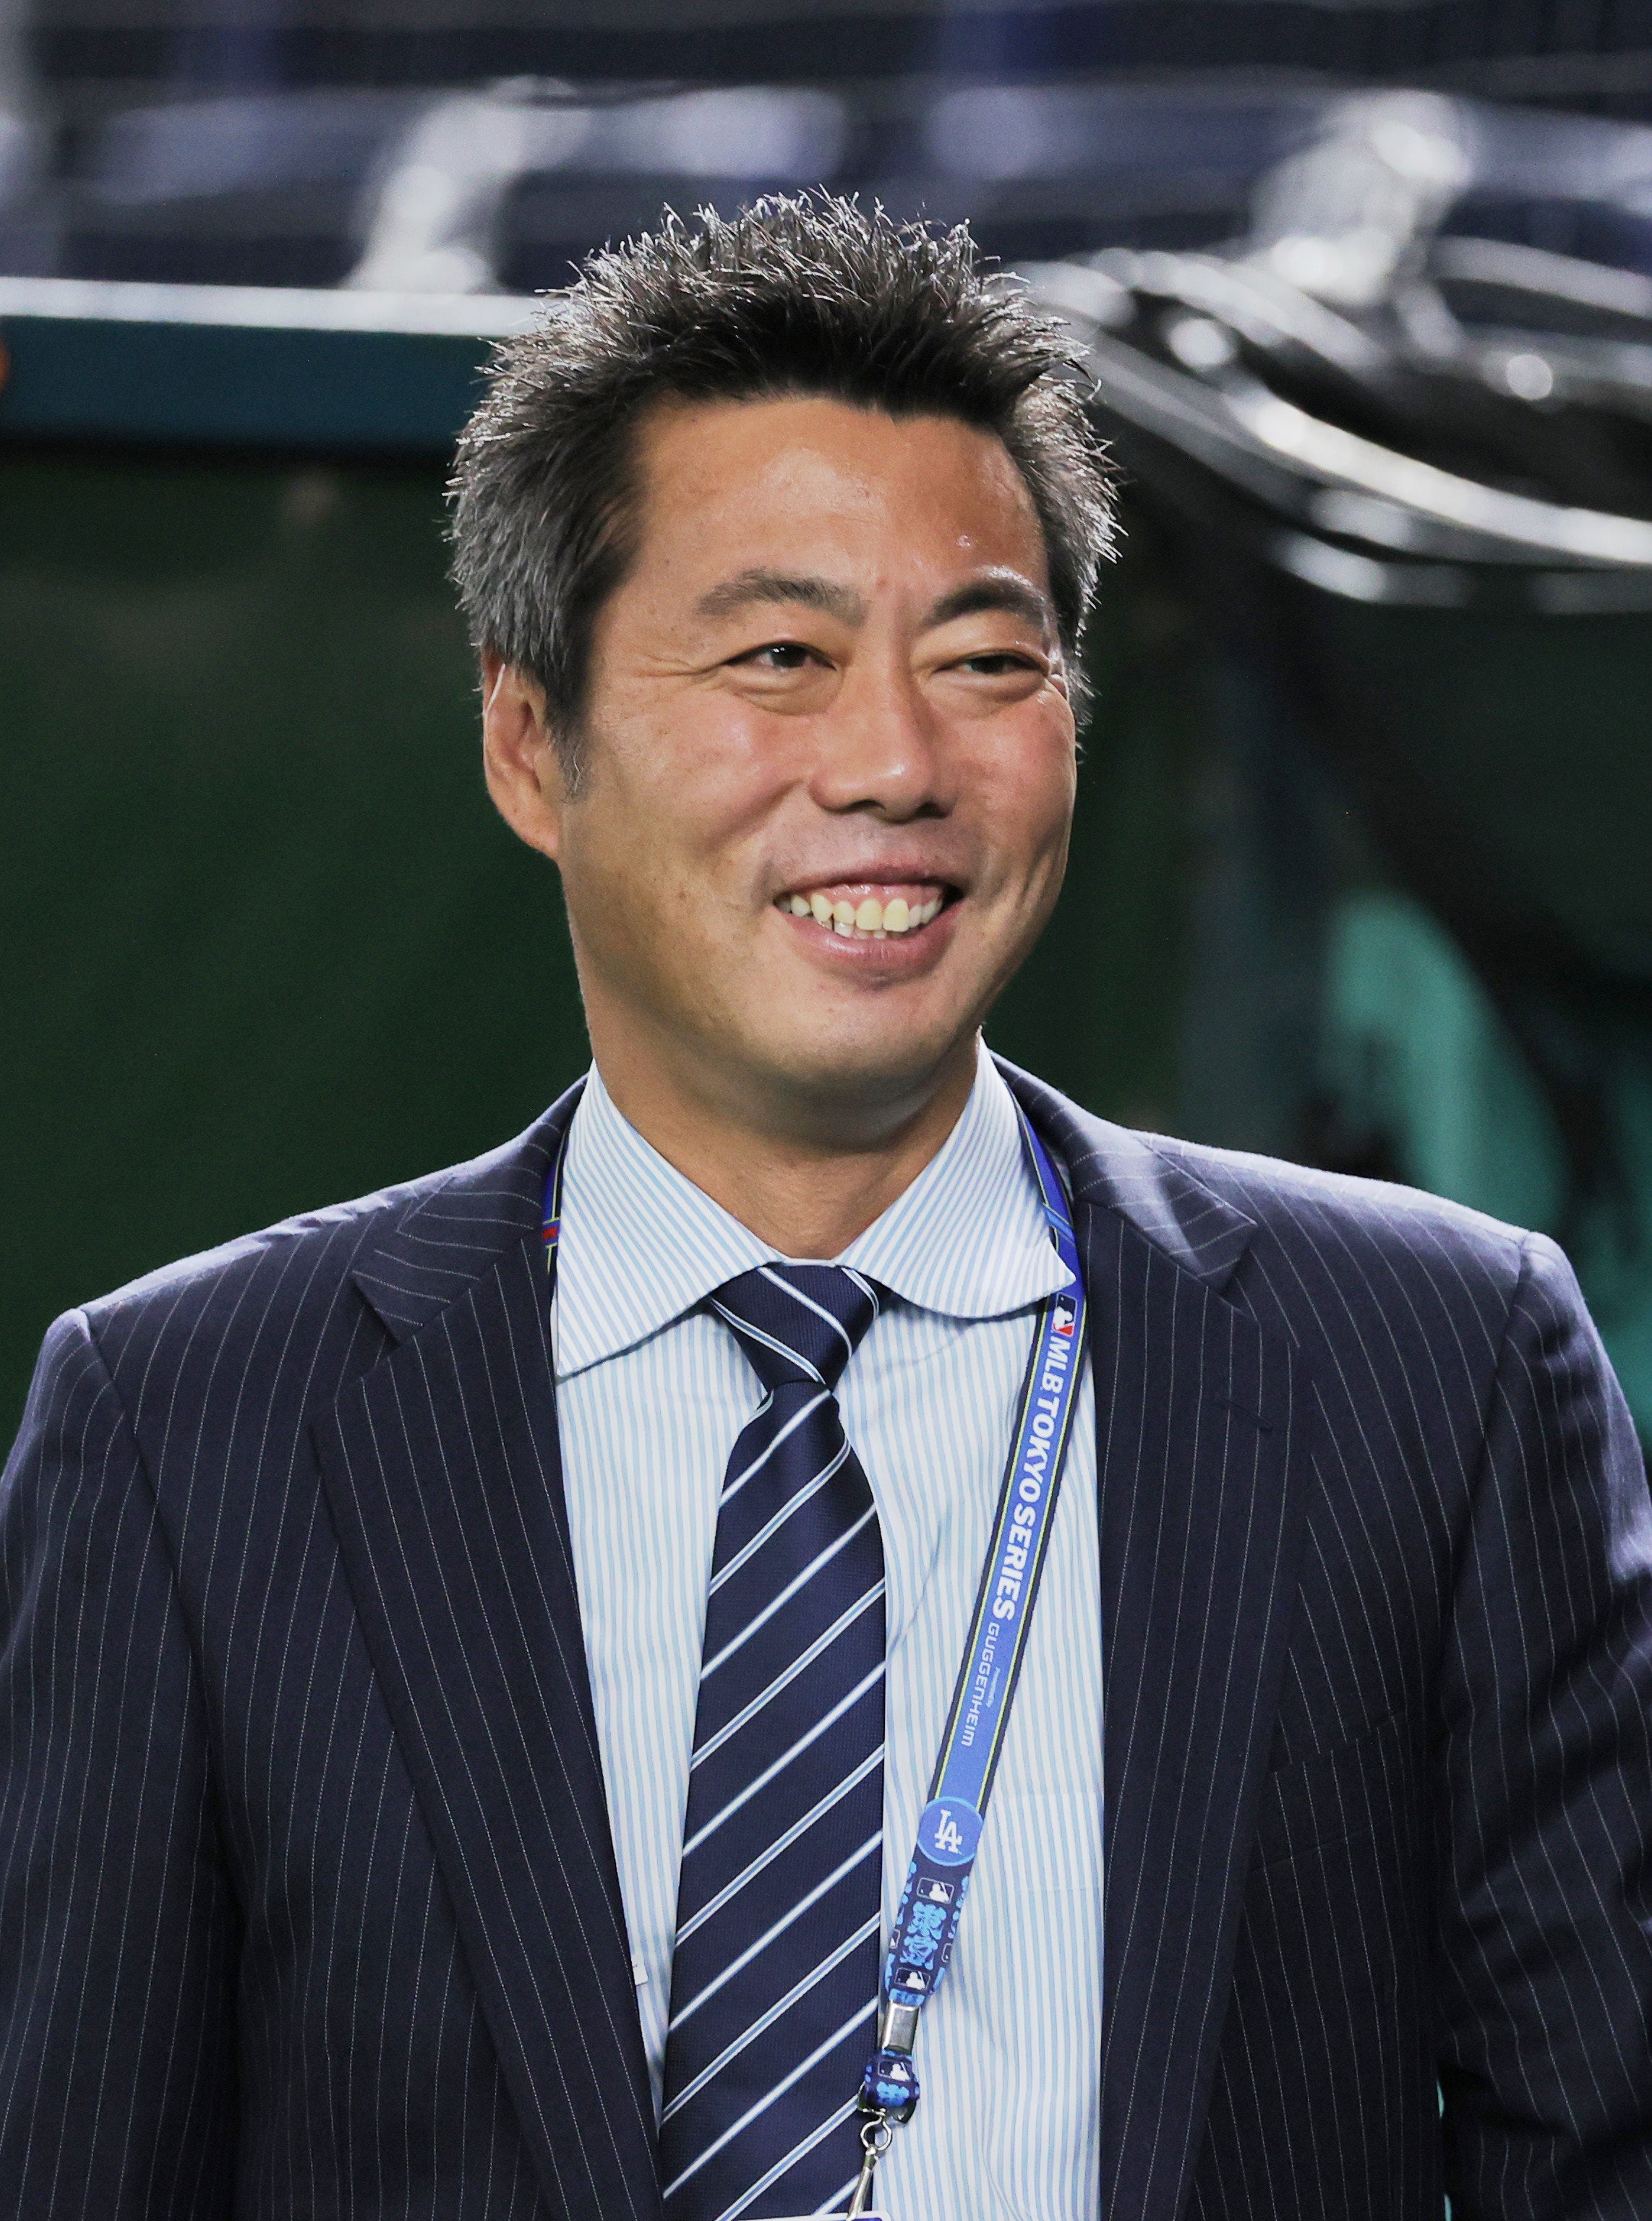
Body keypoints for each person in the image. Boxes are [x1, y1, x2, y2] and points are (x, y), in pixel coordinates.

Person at [3, 194, 1651, 2221]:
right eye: (780, 656)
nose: (893, 760)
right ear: (529, 743)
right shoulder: (188, 1435)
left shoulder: (1433, 1376)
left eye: (987, 660)